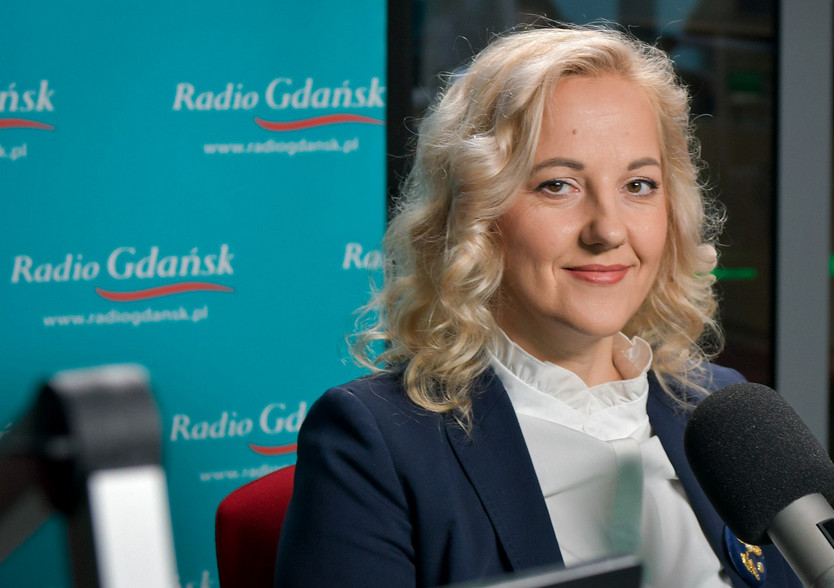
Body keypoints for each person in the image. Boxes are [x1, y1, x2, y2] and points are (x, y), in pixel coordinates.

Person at [275, 24, 800, 588]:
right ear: (475, 213)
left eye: (639, 185)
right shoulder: (378, 440)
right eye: (558, 185)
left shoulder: (723, 413)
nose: (608, 230)